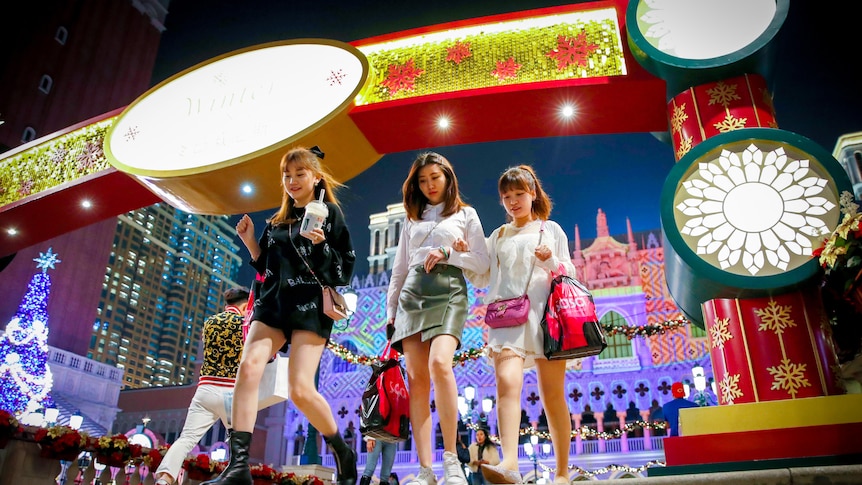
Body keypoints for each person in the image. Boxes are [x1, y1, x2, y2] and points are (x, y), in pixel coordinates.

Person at [205, 146, 357, 485]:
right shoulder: (277, 220)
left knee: (301, 389)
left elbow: (343, 267)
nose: (292, 181)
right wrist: (249, 242)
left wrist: (320, 244)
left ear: (316, 177)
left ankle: (341, 450)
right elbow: (266, 267)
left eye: (300, 174)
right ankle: (238, 467)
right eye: (287, 176)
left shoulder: (329, 214)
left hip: (310, 305)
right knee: (248, 368)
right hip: (273, 304)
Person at [456, 165, 575, 485]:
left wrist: (550, 259)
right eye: (506, 197)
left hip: (547, 320)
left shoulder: (550, 230)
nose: (513, 202)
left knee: (553, 395)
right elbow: (483, 277)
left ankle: (563, 471)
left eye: (519, 194)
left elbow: (571, 274)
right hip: (507, 320)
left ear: (533, 193)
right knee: (506, 384)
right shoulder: (497, 236)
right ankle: (510, 462)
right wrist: (463, 256)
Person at [386, 151, 490, 485]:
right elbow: (399, 268)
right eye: (423, 179)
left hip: (449, 292)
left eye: (436, 177)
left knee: (440, 365)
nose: (430, 185)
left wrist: (450, 252)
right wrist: (391, 313)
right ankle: (425, 470)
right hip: (412, 296)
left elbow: (483, 265)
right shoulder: (410, 218)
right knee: (417, 382)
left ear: (448, 177)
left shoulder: (466, 214)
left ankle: (451, 462)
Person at [153, 286, 250, 485]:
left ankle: (165, 478)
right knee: (238, 445)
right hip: (231, 392)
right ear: (245, 306)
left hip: (205, 389)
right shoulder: (245, 324)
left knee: (186, 438)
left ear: (227, 305)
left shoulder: (209, 323)